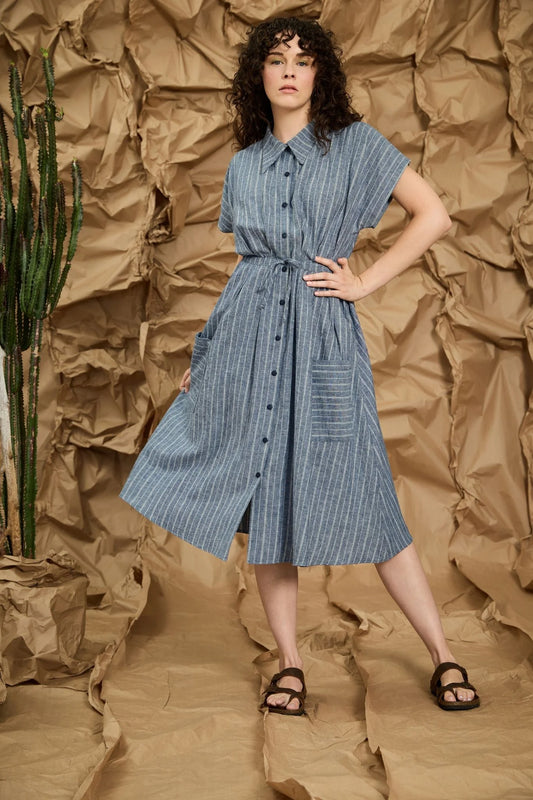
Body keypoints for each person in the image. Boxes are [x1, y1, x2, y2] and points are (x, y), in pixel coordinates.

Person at [120, 16, 480, 715]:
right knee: (266, 506)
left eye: (303, 60)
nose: (289, 71)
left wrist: (364, 283)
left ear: (322, 76)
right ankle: (289, 665)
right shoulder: (245, 164)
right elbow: (242, 272)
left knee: (369, 497)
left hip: (321, 340)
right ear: (258, 74)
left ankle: (443, 654)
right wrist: (207, 356)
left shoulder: (352, 146)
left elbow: (431, 215)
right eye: (276, 59)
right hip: (246, 341)